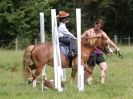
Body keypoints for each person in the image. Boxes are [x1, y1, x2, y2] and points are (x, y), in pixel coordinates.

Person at [81, 18, 120, 84]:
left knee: (104, 67)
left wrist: (115, 47)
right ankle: (84, 82)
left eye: (100, 26)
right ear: (95, 24)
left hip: (98, 52)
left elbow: (108, 40)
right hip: (90, 52)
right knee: (90, 69)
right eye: (98, 25)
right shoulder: (89, 32)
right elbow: (80, 38)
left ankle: (102, 83)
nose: (98, 27)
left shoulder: (101, 32)